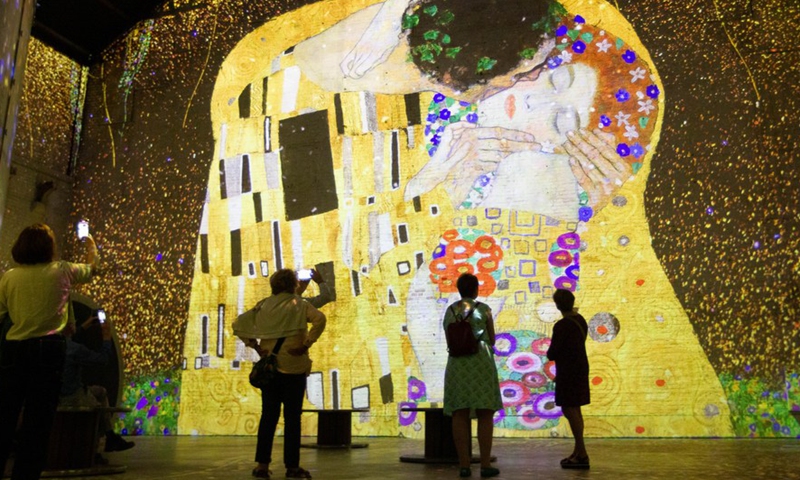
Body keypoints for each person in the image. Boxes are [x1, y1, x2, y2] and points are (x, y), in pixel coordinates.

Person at [0, 224, 99, 479]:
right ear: (48, 246)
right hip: (48, 351)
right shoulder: (62, 270)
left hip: (14, 351)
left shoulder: (9, 277)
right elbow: (92, 269)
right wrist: (90, 243)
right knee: (38, 423)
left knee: (6, 416)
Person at [234, 269, 327, 479]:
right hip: (294, 368)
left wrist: (255, 346)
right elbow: (320, 319)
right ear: (293, 285)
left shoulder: (264, 305)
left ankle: (262, 466)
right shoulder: (300, 305)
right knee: (293, 419)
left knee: (268, 417)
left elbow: (238, 325)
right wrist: (306, 345)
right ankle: (292, 467)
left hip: (271, 370)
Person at [443, 273, 502, 478]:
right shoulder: (484, 309)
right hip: (481, 363)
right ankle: (485, 464)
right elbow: (492, 339)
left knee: (459, 413)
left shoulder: (450, 311)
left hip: (457, 365)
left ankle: (464, 466)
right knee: (485, 413)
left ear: (459, 290)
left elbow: (449, 338)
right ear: (476, 289)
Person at [60, 313, 134, 463]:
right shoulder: (74, 349)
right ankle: (93, 452)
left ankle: (110, 435)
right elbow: (102, 360)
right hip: (70, 396)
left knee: (100, 392)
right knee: (97, 408)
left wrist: (84, 325)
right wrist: (107, 338)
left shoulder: (56, 344)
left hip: (54, 395)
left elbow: (70, 339)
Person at [546, 288, 590, 469]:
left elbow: (552, 352)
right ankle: (579, 451)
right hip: (579, 368)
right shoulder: (580, 320)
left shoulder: (562, 325)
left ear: (557, 305)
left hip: (568, 371)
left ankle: (581, 452)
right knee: (575, 409)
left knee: (570, 409)